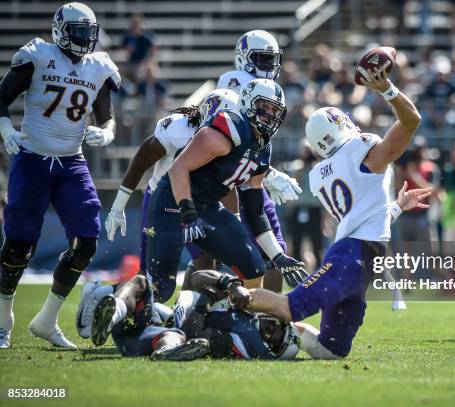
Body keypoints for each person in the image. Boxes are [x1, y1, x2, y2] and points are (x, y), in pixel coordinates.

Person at [233, 67, 431, 359]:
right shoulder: (359, 152)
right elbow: (412, 120)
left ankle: (283, 331)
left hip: (356, 254)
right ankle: (221, 301)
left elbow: (365, 216)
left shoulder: (320, 173)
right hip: (351, 258)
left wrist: (398, 207)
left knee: (332, 351)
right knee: (287, 306)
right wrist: (387, 88)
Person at [0, 2, 120, 349]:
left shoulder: (99, 67)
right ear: (60, 31)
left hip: (71, 161)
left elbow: (105, 115)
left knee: (86, 240)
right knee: (19, 242)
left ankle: (47, 320)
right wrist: (6, 127)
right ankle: (3, 319)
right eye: (79, 32)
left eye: (89, 33)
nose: (85, 39)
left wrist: (108, 132)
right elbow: (2, 97)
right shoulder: (38, 54)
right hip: (32, 156)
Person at [101, 89, 239, 310]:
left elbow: (227, 185)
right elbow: (140, 162)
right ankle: (102, 294)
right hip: (162, 203)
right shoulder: (177, 129)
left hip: (197, 204)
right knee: (155, 285)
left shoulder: (231, 141)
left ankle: (182, 317)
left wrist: (235, 222)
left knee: (206, 263)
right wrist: (118, 207)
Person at [167, 79, 309, 290]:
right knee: (163, 283)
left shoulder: (262, 147)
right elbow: (177, 169)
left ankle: (217, 314)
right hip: (176, 199)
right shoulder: (230, 125)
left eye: (274, 110)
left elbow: (255, 210)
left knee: (254, 267)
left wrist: (278, 257)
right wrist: (188, 215)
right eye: (265, 107)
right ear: (249, 103)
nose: (270, 115)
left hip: (208, 205)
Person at [82, 271, 300, 360]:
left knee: (176, 334)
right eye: (276, 327)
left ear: (270, 350)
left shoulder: (246, 344)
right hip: (152, 323)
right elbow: (197, 278)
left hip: (148, 340)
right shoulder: (245, 308)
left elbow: (195, 332)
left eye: (275, 338)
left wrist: (206, 300)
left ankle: (167, 351)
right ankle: (110, 318)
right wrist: (228, 283)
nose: (270, 331)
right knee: (141, 282)